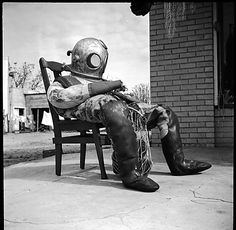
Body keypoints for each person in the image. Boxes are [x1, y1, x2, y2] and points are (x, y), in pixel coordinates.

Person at [47, 37, 211, 192]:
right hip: (92, 110)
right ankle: (130, 174)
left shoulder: (104, 83)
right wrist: (103, 88)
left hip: (118, 110)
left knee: (164, 112)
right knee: (114, 108)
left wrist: (130, 99)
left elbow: (126, 101)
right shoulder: (64, 81)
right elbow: (58, 99)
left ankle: (178, 164)